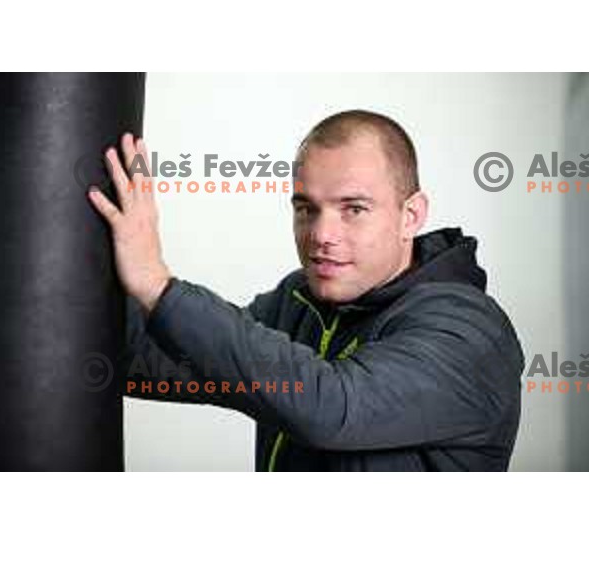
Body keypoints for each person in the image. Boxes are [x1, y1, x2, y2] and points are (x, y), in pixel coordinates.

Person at [87, 109, 524, 471]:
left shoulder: (468, 333)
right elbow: (171, 362)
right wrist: (53, 304)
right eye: (306, 208)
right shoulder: (300, 301)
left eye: (353, 209)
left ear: (410, 216)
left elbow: (333, 407)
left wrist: (158, 286)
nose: (320, 235)